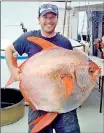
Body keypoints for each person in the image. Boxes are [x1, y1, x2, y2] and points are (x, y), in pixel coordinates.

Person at [5, 3, 80, 133]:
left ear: (57, 19)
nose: (49, 21)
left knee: (71, 130)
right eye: (45, 17)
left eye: (52, 17)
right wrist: (13, 70)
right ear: (38, 19)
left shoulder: (65, 43)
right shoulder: (28, 39)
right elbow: (9, 50)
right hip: (38, 100)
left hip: (61, 99)